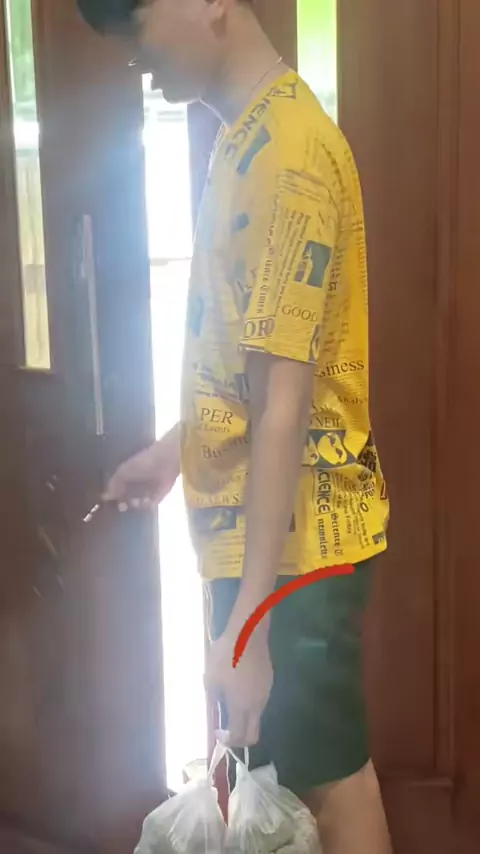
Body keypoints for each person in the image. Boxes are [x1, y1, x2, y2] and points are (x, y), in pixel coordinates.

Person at [77, 2, 392, 852]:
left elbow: (284, 400)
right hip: (274, 548)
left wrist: (248, 625)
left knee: (331, 785)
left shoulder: (285, 154)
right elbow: (254, 369)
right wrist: (174, 451)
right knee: (307, 776)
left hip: (292, 557)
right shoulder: (247, 136)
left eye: (136, 25)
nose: (133, 56)